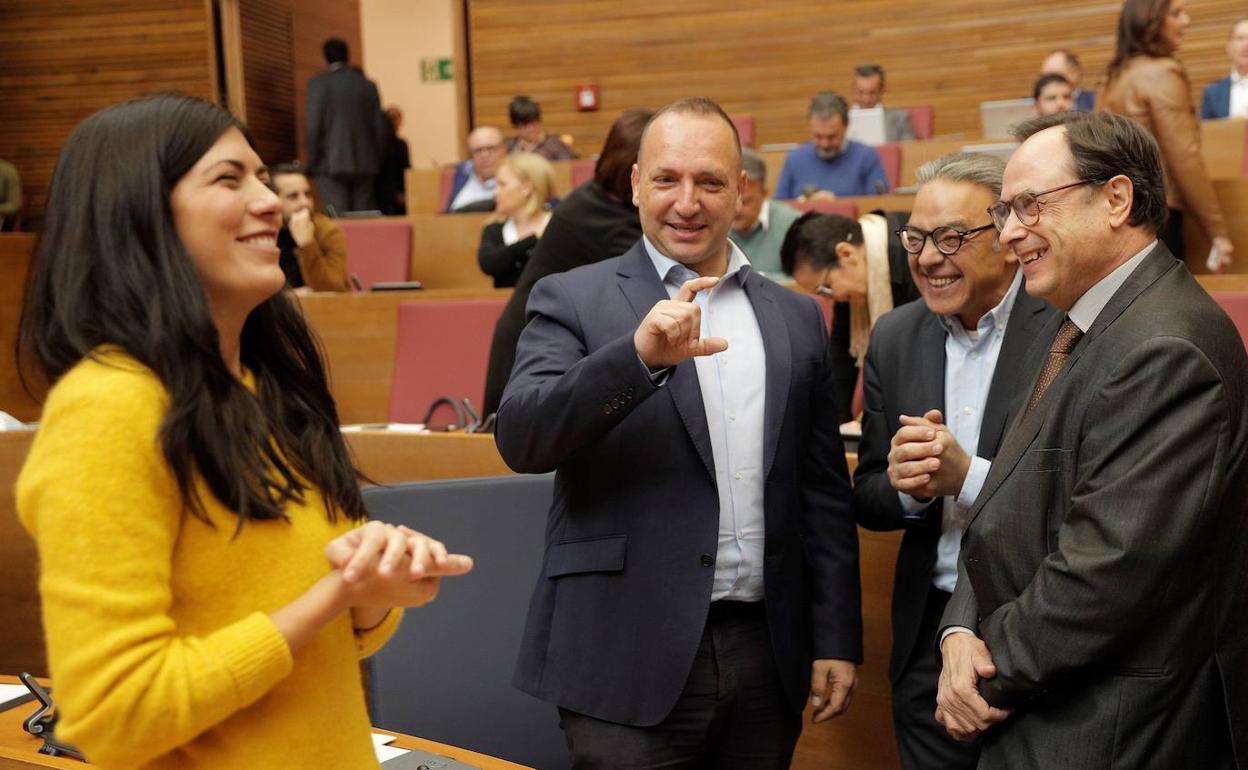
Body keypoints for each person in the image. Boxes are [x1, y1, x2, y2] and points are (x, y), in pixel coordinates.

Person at [15, 93, 473, 769]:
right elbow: (114, 715)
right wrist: (328, 599)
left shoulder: (264, 392)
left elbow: (319, 639)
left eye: (263, 177)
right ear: (140, 214)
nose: (271, 203)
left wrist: (371, 595)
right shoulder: (108, 409)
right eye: (230, 179)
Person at [496, 97, 861, 768]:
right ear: (635, 184)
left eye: (710, 182)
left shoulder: (796, 318)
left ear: (741, 192)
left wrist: (835, 636)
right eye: (667, 179)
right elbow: (522, 438)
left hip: (763, 652)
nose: (687, 202)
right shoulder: (572, 297)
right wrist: (633, 360)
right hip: (621, 651)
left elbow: (822, 493)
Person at [934, 110, 1247, 768]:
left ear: (1116, 198)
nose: (1011, 232)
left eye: (1030, 206)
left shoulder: (1166, 345)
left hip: (1109, 731)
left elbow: (1105, 573)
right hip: (1051, 708)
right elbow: (1003, 505)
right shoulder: (1078, 321)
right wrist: (960, 628)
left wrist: (980, 674)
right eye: (1004, 211)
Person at [853, 152, 1056, 770]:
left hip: (1032, 627)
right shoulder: (895, 336)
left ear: (1007, 234)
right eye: (916, 238)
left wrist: (964, 476)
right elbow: (867, 494)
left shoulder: (1065, 329)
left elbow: (1079, 492)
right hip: (926, 635)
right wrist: (910, 487)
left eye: (952, 238)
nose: (928, 258)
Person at [481, 107, 651, 416]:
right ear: (636, 171)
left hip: (559, 341)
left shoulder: (602, 200)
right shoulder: (595, 216)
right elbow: (654, 276)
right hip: (533, 348)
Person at [1099, 0, 1234, 270]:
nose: (1186, 21)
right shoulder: (1162, 72)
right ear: (1151, 20)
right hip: (1159, 217)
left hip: (1119, 214)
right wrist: (1217, 232)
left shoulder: (1114, 77)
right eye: (1176, 13)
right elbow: (1184, 157)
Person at [781, 209, 919, 425]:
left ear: (846, 254)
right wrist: (837, 427)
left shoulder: (912, 252)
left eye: (825, 288)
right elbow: (840, 356)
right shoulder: (854, 282)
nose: (830, 298)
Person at [304, 37, 387, 214]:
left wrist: (313, 160)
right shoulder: (367, 86)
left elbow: (313, 126)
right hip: (366, 162)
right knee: (363, 218)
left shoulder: (319, 84)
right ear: (348, 56)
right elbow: (380, 129)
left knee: (337, 219)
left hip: (330, 163)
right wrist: (376, 159)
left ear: (325, 57)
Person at [774, 91, 890, 199]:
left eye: (832, 136)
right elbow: (778, 210)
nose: (825, 144)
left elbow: (879, 211)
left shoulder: (867, 157)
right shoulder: (794, 160)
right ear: (810, 126)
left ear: (846, 125)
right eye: (818, 136)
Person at [477, 152, 557, 288]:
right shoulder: (494, 229)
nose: (495, 192)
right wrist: (531, 242)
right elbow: (489, 264)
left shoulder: (559, 226)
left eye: (502, 184)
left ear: (527, 188)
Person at [270, 163, 350, 292]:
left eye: (307, 194)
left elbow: (332, 290)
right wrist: (289, 297)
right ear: (272, 200)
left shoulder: (328, 230)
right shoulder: (263, 233)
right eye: (293, 196)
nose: (305, 203)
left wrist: (306, 245)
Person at [728, 148, 801, 276]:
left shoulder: (793, 226)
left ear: (764, 194)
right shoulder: (710, 223)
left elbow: (804, 282)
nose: (737, 209)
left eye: (745, 202)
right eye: (730, 202)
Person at [446, 126, 505, 212]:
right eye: (478, 150)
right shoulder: (463, 174)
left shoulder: (513, 182)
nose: (484, 155)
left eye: (491, 148)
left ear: (503, 150)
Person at [852, 64, 916, 142]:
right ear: (854, 90)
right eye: (860, 93)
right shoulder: (842, 121)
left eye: (872, 93)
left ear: (881, 91)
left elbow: (909, 150)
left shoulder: (899, 118)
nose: (866, 99)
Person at [1200, 18, 1248, 119]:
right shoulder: (1212, 93)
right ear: (1229, 48)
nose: (1246, 45)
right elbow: (1207, 132)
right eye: (1240, 38)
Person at [504, 95, 577, 160]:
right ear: (516, 125)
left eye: (534, 123)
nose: (531, 129)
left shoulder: (554, 144)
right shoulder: (509, 146)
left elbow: (569, 167)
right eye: (525, 125)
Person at [376, 105, 411, 215]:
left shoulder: (401, 145)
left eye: (395, 118)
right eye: (390, 118)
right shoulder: (376, 144)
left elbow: (406, 170)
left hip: (398, 196)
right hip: (381, 196)